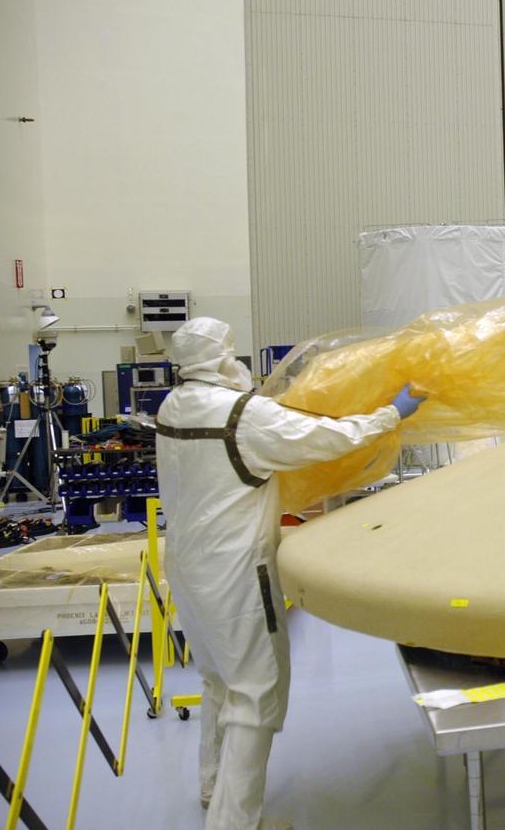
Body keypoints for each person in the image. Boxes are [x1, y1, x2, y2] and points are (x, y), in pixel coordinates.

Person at [156, 318, 427, 829]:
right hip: (237, 571)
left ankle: (214, 790)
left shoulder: (174, 406)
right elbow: (326, 438)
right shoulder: (243, 416)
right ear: (220, 358)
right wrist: (392, 413)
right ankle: (234, 822)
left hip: (188, 565)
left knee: (218, 680)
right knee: (255, 693)